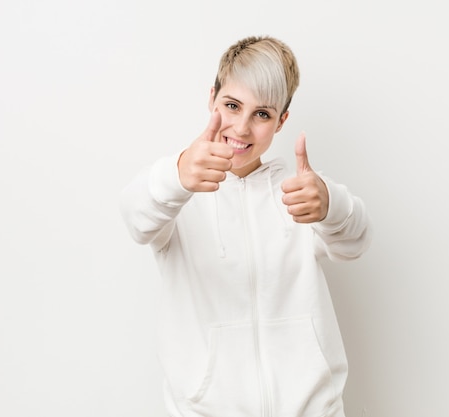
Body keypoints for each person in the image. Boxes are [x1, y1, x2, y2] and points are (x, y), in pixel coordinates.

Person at [120, 35, 372, 417]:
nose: (241, 128)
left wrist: (330, 204)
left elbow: (355, 242)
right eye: (232, 106)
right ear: (212, 98)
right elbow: (135, 216)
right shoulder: (179, 191)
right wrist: (178, 173)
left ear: (281, 121)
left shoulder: (299, 193)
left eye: (262, 114)